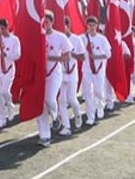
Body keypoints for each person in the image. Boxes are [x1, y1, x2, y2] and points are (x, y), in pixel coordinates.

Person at [39, 11, 73, 147]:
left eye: (46, 22)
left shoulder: (60, 37)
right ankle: (44, 135)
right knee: (40, 106)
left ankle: (56, 116)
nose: (44, 24)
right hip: (39, 74)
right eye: (42, 22)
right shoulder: (38, 36)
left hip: (54, 73)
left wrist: (52, 58)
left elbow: (68, 56)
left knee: (49, 99)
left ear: (51, 22)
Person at [80, 17, 111, 126]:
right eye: (90, 25)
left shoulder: (102, 39)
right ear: (87, 26)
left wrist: (96, 57)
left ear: (97, 26)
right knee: (88, 93)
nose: (91, 27)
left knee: (98, 91)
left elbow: (108, 54)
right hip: (87, 70)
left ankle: (100, 105)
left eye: (93, 25)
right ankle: (90, 116)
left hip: (99, 70)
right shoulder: (83, 38)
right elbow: (76, 49)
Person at [58, 17, 85, 134]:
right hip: (61, 72)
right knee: (61, 100)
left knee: (71, 98)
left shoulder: (76, 39)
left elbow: (82, 57)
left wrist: (70, 53)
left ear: (68, 26)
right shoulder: (58, 38)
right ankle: (66, 126)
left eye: (64, 26)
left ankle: (78, 114)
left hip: (72, 72)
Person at [0, 19, 21, 129]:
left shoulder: (14, 40)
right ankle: (2, 118)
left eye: (2, 28)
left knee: (5, 91)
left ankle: (10, 106)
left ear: (6, 27)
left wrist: (6, 54)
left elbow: (17, 55)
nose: (0, 31)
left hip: (9, 69)